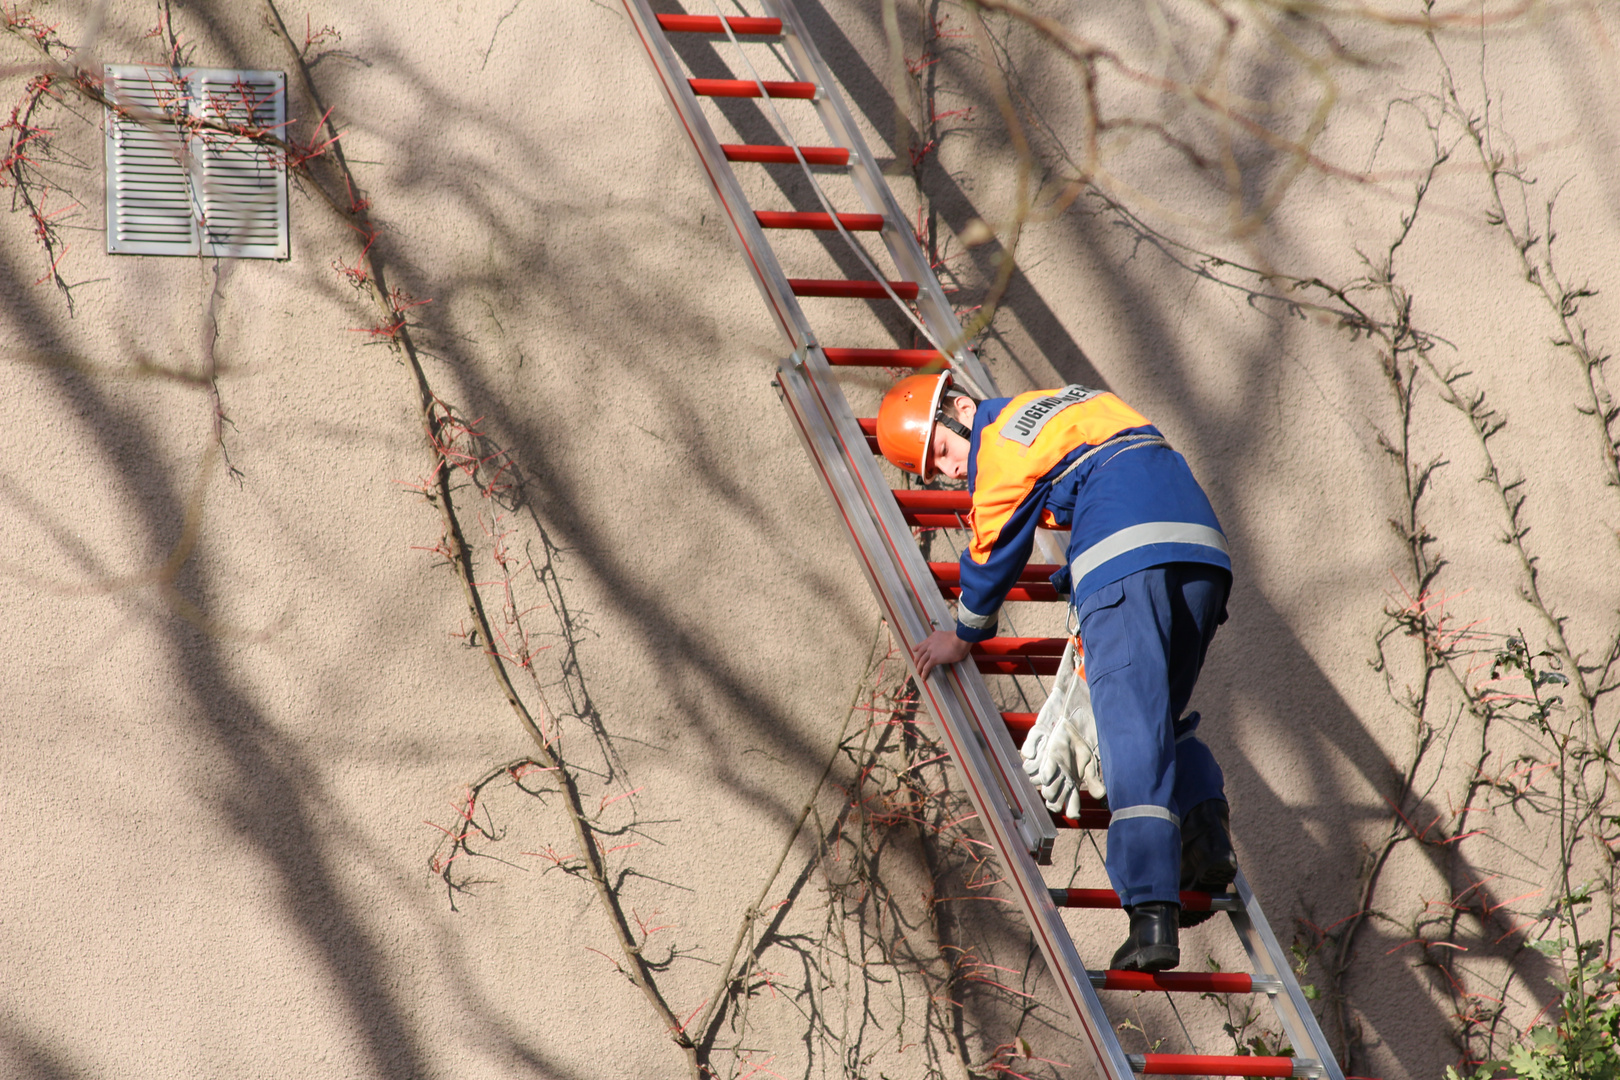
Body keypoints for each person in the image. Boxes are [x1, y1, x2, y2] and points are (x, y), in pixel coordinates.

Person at [878, 371, 1238, 972]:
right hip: (1201, 552)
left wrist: (963, 635)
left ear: (962, 409)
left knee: (1127, 735)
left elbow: (992, 553)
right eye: (934, 473)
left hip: (1124, 558)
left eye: (941, 451)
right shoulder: (1063, 404)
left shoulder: (998, 445)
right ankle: (1206, 841)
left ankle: (1152, 913)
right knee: (1156, 716)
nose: (948, 472)